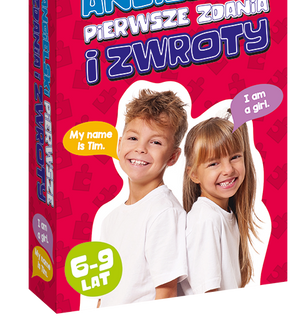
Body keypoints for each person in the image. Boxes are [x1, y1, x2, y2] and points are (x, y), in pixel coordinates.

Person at [97, 89, 189, 309]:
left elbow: (166, 292)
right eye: (133, 138)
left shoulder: (164, 212)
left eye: (155, 142)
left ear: (173, 156)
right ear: (119, 144)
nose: (140, 148)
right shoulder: (110, 219)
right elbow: (105, 291)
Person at [181, 116, 259, 296]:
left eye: (235, 157)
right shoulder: (206, 219)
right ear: (194, 175)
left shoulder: (222, 213)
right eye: (214, 163)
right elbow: (208, 290)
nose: (228, 169)